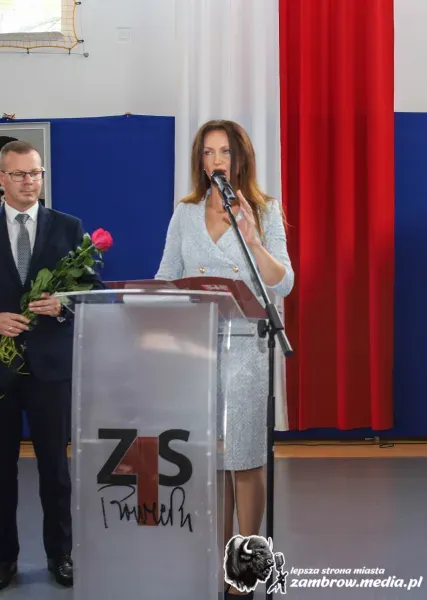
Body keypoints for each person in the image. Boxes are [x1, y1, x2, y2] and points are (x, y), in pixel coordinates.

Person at [0, 140, 97, 593]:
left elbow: (93, 289)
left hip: (51, 369)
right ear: (0, 178)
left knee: (55, 469)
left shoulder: (69, 227)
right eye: (19, 174)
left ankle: (60, 556)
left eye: (36, 173)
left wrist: (64, 303)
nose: (29, 182)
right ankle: (3, 560)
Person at [155, 120, 294, 599]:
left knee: (245, 459)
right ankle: (220, 567)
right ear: (200, 160)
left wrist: (253, 238)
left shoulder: (264, 209)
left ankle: (246, 572)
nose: (217, 160)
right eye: (209, 152)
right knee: (213, 460)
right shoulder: (185, 213)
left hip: (246, 346)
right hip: (198, 346)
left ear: (240, 159)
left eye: (226, 152)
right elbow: (166, 275)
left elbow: (283, 282)